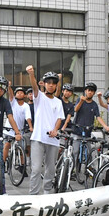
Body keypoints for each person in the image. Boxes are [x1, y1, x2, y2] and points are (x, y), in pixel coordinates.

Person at [26, 66, 64, 195]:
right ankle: (33, 195)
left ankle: (47, 191)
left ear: (56, 86)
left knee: (51, 169)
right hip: (38, 138)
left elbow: (59, 118)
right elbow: (34, 87)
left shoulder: (58, 102)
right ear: (45, 84)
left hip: (53, 140)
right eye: (48, 83)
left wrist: (55, 130)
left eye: (54, 83)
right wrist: (31, 74)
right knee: (36, 169)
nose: (51, 85)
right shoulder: (39, 97)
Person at [72, 82, 109, 168]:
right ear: (85, 91)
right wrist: (81, 101)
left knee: (89, 152)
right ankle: (73, 170)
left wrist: (105, 126)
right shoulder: (80, 99)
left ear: (94, 93)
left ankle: (89, 170)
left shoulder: (94, 104)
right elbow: (75, 109)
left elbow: (98, 117)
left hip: (88, 132)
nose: (90, 92)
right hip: (77, 130)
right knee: (75, 151)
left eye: (92, 91)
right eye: (88, 90)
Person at [3, 85, 32, 174]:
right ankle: (3, 163)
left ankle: (22, 167)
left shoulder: (26, 106)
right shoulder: (13, 102)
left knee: (21, 148)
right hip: (9, 129)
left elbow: (28, 117)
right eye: (18, 93)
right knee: (7, 145)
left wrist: (31, 126)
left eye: (21, 93)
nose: (19, 94)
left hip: (19, 131)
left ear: (25, 95)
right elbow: (10, 95)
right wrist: (9, 87)